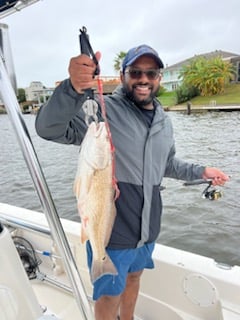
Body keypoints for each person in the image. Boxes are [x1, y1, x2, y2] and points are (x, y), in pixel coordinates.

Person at [35, 44, 229, 320]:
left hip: (147, 229)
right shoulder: (103, 110)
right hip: (111, 230)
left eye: (151, 73)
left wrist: (202, 171)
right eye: (136, 72)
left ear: (159, 77)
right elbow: (49, 129)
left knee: (134, 278)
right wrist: (72, 88)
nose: (144, 79)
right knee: (108, 295)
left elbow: (167, 164)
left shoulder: (163, 119)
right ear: (124, 74)